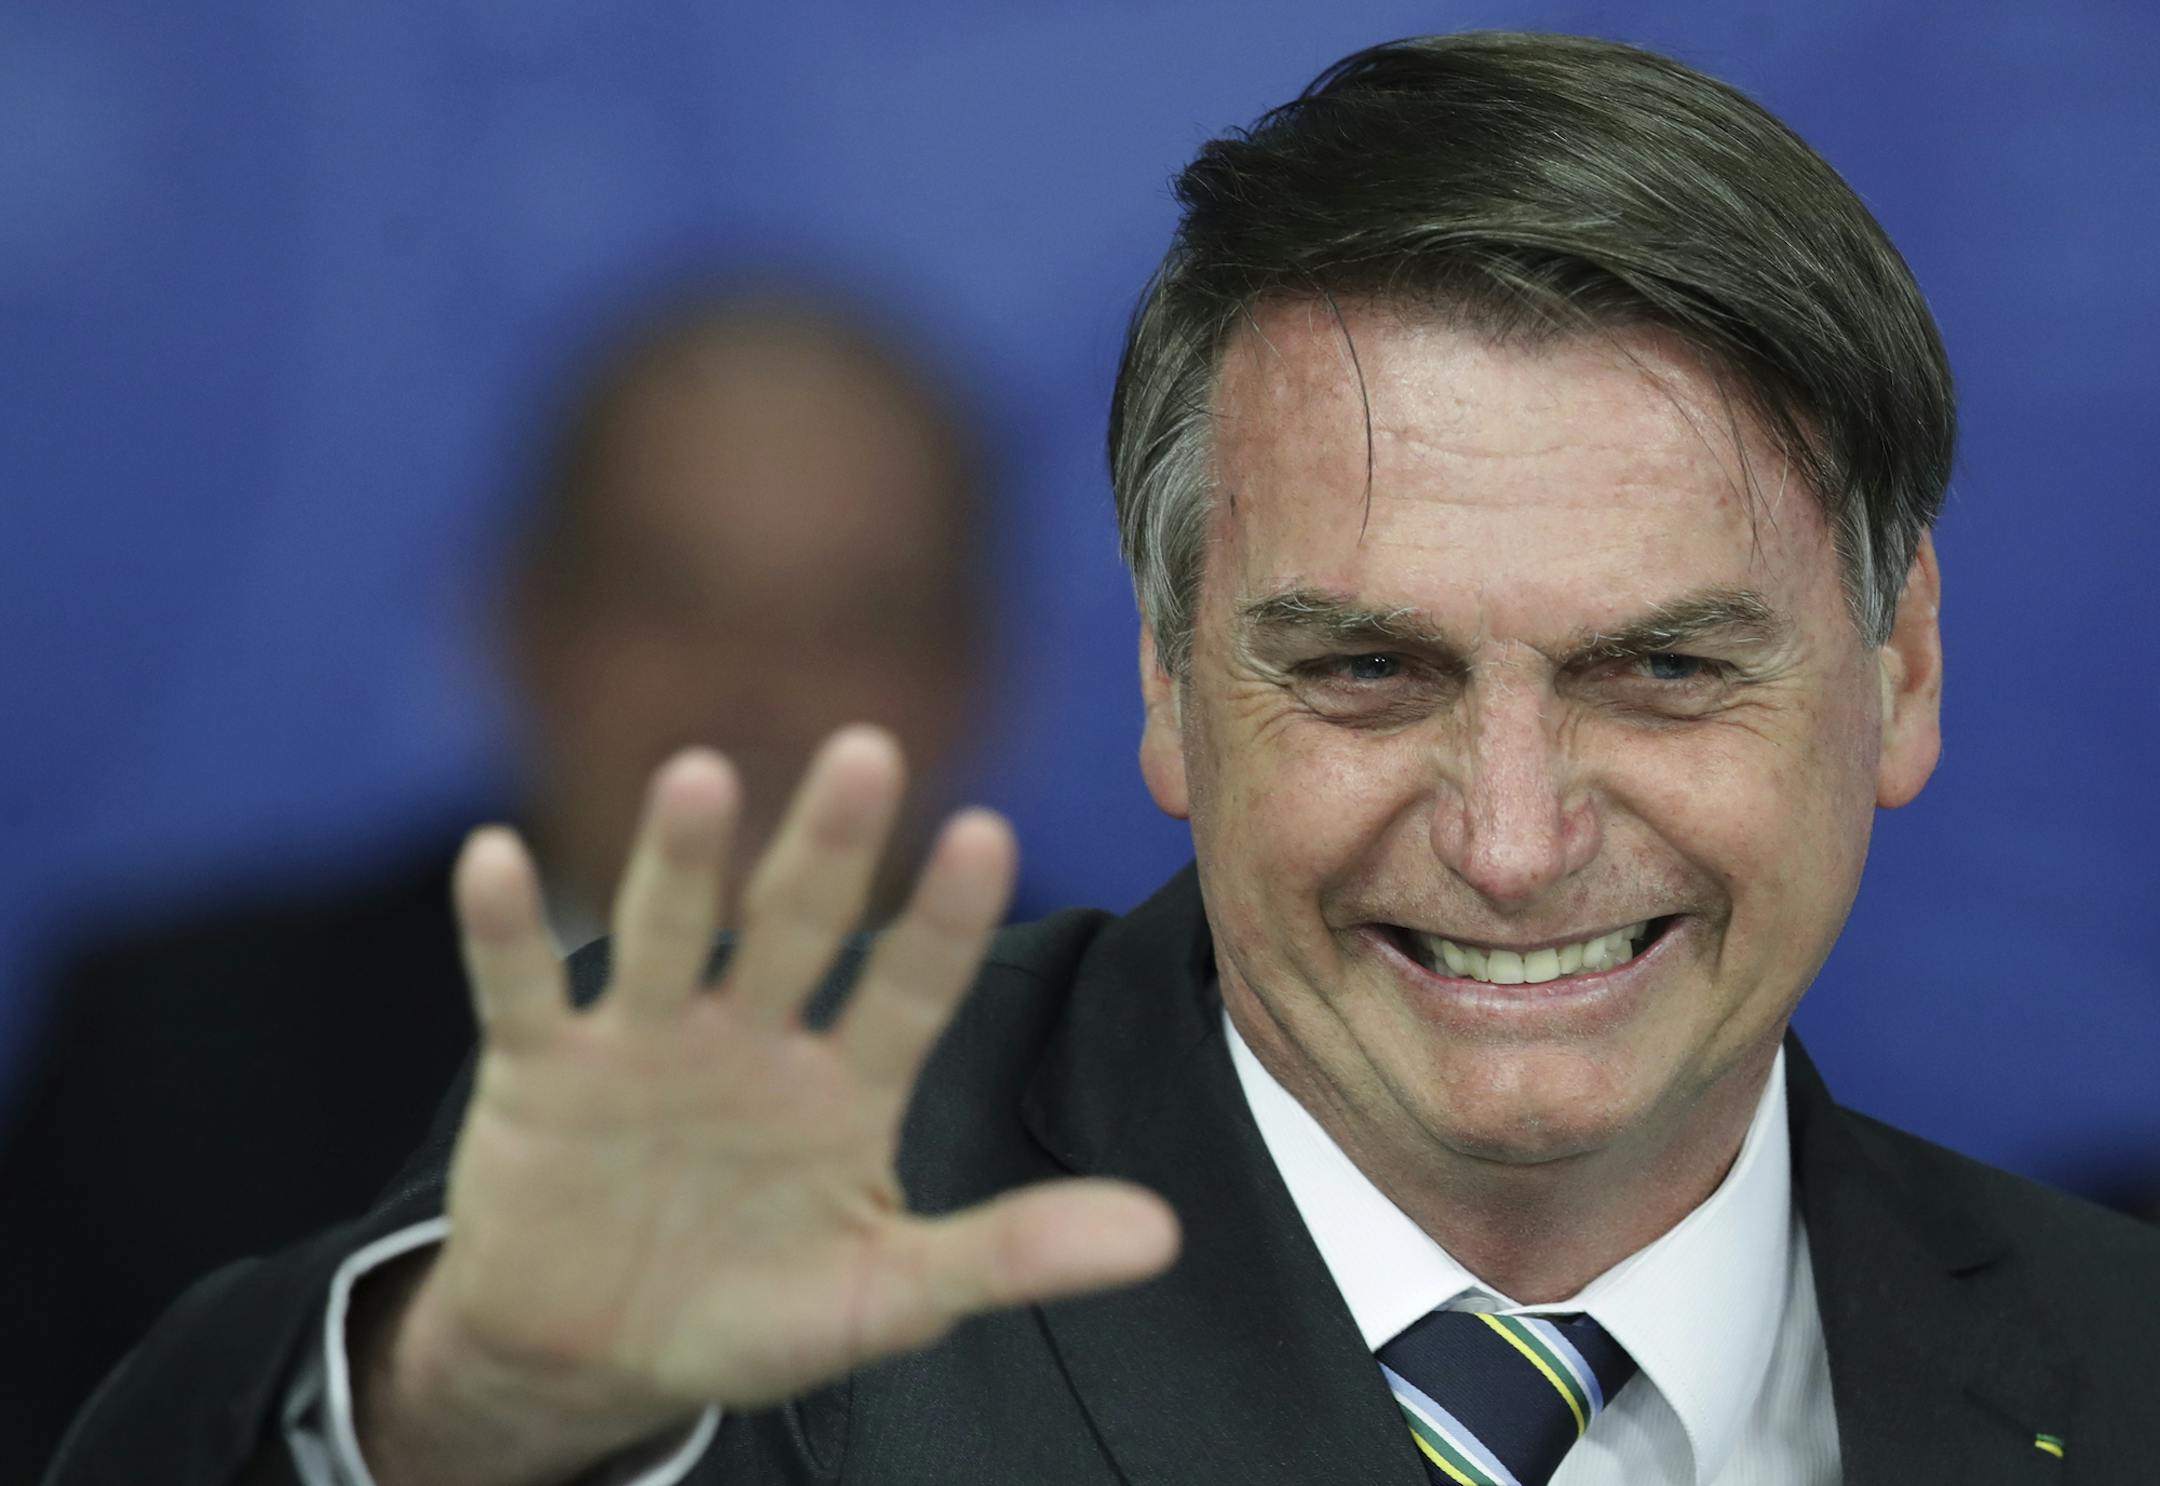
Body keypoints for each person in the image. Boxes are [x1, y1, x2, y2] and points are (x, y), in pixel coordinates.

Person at [46, 31, 2160, 1486]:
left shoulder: (2121, 1356)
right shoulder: (793, 1223)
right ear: (1165, 686)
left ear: (1897, 673)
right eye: (1366, 673)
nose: (1514, 837)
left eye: (1661, 671)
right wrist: (460, 1414)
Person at [6, 285, 988, 1475]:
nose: (755, 686)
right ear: (521, 624)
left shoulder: (1142, 1093)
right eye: (668, 594)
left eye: (855, 618)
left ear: (978, 676)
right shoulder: (179, 1056)